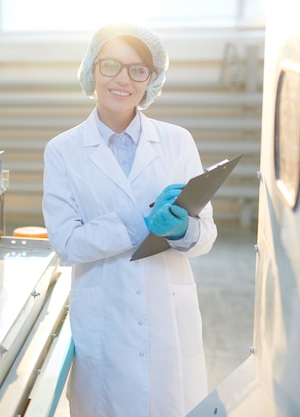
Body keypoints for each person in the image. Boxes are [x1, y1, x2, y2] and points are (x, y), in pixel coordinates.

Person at [42, 22, 218, 417]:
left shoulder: (177, 141)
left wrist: (182, 229)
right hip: (106, 316)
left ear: (151, 80)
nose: (123, 79)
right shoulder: (63, 151)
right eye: (110, 66)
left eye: (138, 69)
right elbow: (67, 245)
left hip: (167, 311)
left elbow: (206, 234)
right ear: (92, 70)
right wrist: (142, 223)